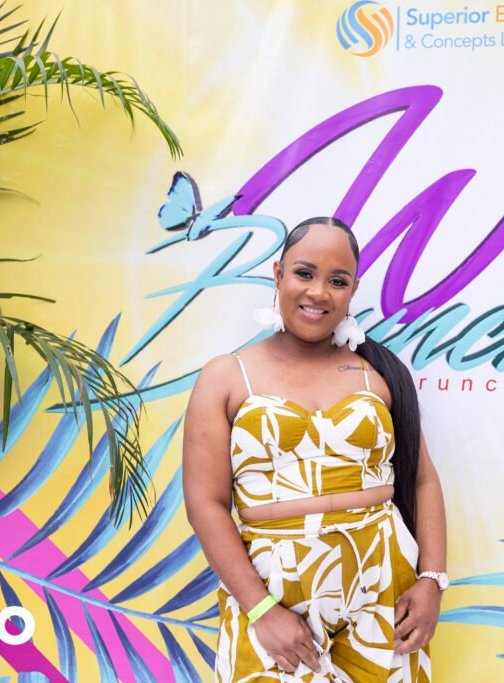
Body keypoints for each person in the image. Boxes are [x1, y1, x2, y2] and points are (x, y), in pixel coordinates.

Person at [183, 217, 448, 682]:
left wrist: (432, 580)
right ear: (278, 274)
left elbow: (422, 479)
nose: (318, 292)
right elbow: (205, 504)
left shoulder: (377, 374)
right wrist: (260, 609)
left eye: (337, 281)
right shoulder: (227, 376)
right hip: (273, 594)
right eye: (304, 273)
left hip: (383, 590)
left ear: (353, 290)